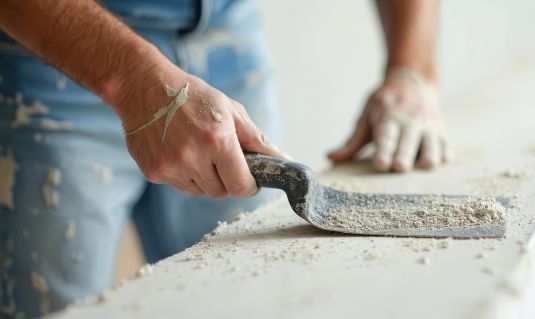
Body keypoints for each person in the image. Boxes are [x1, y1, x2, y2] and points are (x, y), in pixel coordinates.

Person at [0, 0, 449, 317]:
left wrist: (412, 68)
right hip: (57, 47)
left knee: (248, 294)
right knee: (54, 306)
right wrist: (135, 81)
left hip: (230, 35)